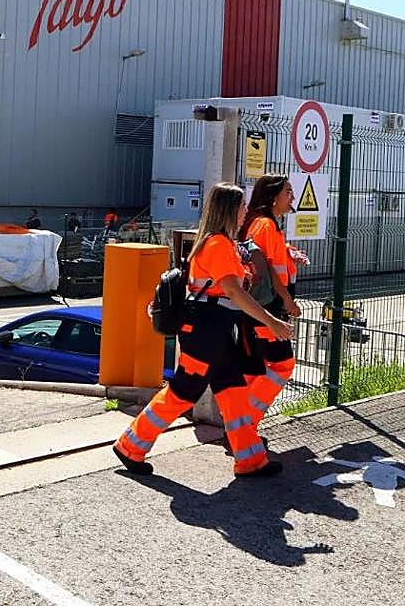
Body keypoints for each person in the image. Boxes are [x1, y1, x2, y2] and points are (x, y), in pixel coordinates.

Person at [113, 182, 293, 479]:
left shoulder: (217, 242)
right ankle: (130, 445)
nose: (246, 212)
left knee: (233, 392)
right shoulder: (218, 244)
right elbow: (234, 293)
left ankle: (250, 460)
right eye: (242, 207)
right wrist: (272, 322)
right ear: (230, 210)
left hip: (212, 330)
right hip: (206, 330)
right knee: (184, 392)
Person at [238, 175, 302, 430]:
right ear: (274, 196)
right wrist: (287, 300)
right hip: (268, 306)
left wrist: (289, 254)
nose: (293, 197)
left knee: (257, 368)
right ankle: (244, 424)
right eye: (288, 192)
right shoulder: (264, 225)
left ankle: (242, 424)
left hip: (264, 305)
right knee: (282, 364)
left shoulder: (265, 224)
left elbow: (270, 260)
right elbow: (268, 269)